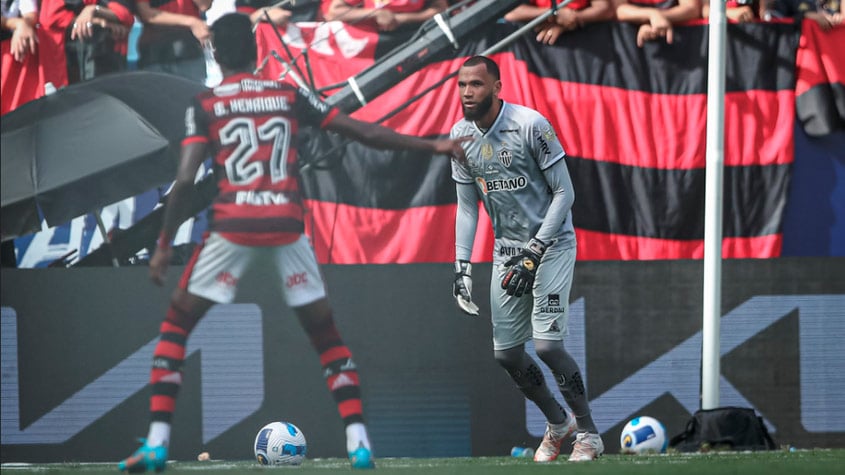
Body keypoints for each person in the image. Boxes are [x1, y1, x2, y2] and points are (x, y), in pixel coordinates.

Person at [117, 12, 469, 473]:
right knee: (326, 337)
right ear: (257, 50)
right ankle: (359, 443)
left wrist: (164, 244)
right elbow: (362, 131)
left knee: (177, 328)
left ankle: (158, 444)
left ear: (216, 54)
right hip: (286, 225)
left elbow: (185, 180)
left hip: (233, 227)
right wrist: (434, 146)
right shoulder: (286, 94)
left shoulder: (205, 104)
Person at [449, 55, 602, 462]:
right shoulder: (459, 136)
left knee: (548, 345)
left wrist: (535, 251)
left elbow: (565, 194)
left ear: (497, 87)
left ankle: (587, 432)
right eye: (462, 84)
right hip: (507, 252)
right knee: (507, 354)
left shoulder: (531, 125)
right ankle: (558, 423)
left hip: (550, 247)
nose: (467, 92)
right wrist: (462, 267)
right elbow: (467, 209)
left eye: (477, 85)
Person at [134, 0, 212, 83]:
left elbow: (204, 6)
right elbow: (146, 14)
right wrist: (191, 22)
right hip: (156, 50)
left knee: (193, 92)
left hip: (189, 49)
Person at [504, 0, 616, 45]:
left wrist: (572, 18)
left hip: (586, 44)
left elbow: (605, 9)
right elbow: (510, 12)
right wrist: (554, 13)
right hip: (537, 50)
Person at [616, 0, 701, 47]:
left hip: (679, 46)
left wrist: (654, 19)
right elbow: (619, 9)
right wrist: (651, 15)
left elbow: (691, 8)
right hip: (631, 50)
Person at [322, 0, 448, 32]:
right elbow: (334, 12)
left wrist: (403, 19)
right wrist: (375, 14)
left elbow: (441, 8)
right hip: (372, 49)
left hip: (414, 40)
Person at [763, 0, 842, 30]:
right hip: (795, 57)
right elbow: (776, 22)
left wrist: (837, 18)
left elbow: (835, 17)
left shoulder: (831, 6)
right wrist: (805, 15)